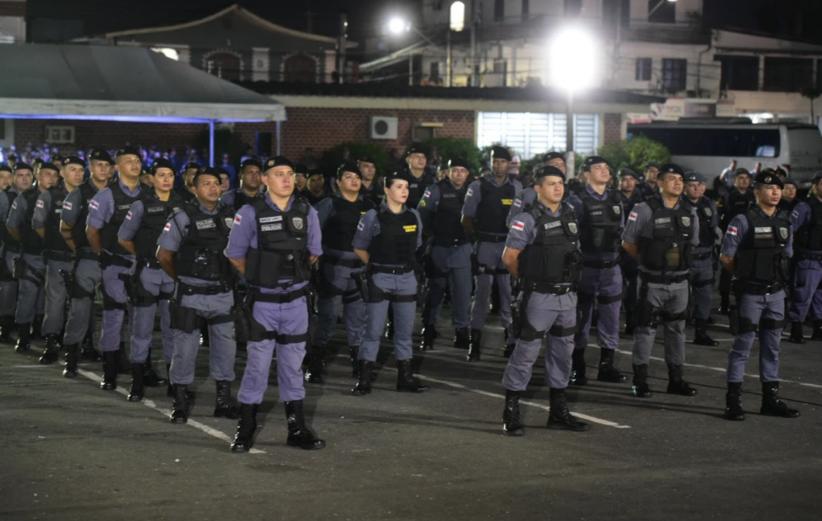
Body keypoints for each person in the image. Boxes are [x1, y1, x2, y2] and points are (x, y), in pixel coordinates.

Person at [225, 156, 325, 452]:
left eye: (290, 174)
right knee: (257, 365)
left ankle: (297, 428)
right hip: (263, 302)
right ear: (265, 180)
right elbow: (234, 254)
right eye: (278, 174)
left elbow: (314, 253)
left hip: (296, 301)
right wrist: (259, 276)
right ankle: (245, 428)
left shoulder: (307, 212)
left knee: (293, 366)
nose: (285, 179)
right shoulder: (249, 212)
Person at [500, 165, 588, 435]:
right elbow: (509, 258)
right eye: (551, 183)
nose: (558, 188)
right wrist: (529, 280)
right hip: (539, 296)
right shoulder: (526, 219)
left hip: (567, 297)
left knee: (563, 354)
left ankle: (558, 413)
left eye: (560, 183)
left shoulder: (570, 215)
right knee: (525, 353)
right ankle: (511, 411)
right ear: (538, 188)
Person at [156, 167, 239, 422]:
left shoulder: (231, 216)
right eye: (206, 183)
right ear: (194, 188)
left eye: (216, 183)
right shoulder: (182, 216)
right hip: (191, 293)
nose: (213, 188)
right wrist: (181, 279)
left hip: (222, 293)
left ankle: (223, 400)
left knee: (226, 348)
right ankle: (180, 402)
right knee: (185, 349)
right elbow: (164, 255)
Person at [719, 170, 799, 421]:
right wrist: (745, 276)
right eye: (769, 188)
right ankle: (733, 402)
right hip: (750, 294)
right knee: (742, 347)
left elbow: (787, 256)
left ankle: (770, 400)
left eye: (778, 188)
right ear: (756, 192)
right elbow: (726, 257)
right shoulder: (742, 220)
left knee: (772, 348)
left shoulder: (785, 221)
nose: (775, 192)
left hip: (776, 293)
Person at [622, 164, 699, 398]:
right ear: (659, 182)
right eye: (672, 179)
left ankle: (676, 380)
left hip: (680, 283)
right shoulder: (644, 209)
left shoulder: (689, 212)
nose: (678, 183)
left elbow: (692, 244)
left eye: (680, 180)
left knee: (677, 331)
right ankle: (640, 381)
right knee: (646, 330)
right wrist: (649, 261)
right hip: (651, 282)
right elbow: (628, 243)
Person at [350, 170, 428, 395]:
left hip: (406, 277)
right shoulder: (372, 216)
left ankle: (405, 378)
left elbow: (417, 245)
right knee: (373, 331)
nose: (404, 191)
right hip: (380, 277)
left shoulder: (414, 215)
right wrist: (374, 265)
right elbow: (359, 246)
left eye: (406, 187)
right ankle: (364, 380)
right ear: (386, 189)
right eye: (399, 186)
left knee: (404, 332)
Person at [117, 158, 183, 401]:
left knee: (172, 329)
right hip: (148, 273)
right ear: (152, 178)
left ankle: (174, 383)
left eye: (170, 175)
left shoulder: (182, 205)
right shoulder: (141, 205)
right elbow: (124, 237)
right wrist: (144, 255)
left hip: (172, 273)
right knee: (141, 329)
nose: (166, 179)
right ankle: (137, 382)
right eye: (161, 175)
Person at [309, 162, 373, 383]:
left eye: (357, 177)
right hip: (333, 269)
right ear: (338, 182)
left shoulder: (369, 206)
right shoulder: (329, 204)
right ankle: (315, 365)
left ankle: (359, 368)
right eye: (348, 177)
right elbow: (312, 234)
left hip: (359, 271)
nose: (354, 181)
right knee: (327, 318)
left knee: (358, 321)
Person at [86, 147, 143, 390]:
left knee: (142, 320)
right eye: (129, 161)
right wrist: (103, 255)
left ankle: (141, 370)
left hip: (142, 266)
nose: (135, 164)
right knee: (114, 317)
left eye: (137, 160)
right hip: (117, 264)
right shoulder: (106, 196)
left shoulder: (148, 194)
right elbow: (92, 231)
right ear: (117, 167)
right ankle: (109, 372)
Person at [567, 156, 625, 384]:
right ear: (586, 174)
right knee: (581, 318)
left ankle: (606, 366)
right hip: (587, 268)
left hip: (611, 268)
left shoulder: (616, 198)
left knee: (611, 317)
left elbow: (621, 231)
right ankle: (577, 367)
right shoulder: (576, 200)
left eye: (606, 167)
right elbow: (571, 236)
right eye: (598, 167)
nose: (604, 170)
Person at [462, 145, 522, 359]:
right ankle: (474, 343)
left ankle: (511, 342)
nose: (498, 165)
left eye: (502, 162)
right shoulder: (479, 186)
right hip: (486, 244)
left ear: (508, 164)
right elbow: (466, 218)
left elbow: (521, 219)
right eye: (495, 161)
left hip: (507, 245)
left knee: (507, 295)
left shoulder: (516, 187)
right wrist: (476, 242)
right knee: (482, 294)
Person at [60, 149, 113, 377]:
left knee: (115, 311)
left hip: (113, 260)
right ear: (91, 167)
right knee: (80, 309)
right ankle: (71, 357)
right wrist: (80, 251)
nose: (103, 169)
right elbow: (65, 228)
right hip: (88, 259)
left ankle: (114, 358)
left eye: (106, 165)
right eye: (98, 164)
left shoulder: (118, 192)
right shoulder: (79, 194)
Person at [417, 157, 473, 354]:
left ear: (467, 174)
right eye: (455, 170)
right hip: (440, 247)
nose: (459, 174)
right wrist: (429, 239)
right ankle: (429, 328)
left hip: (462, 247)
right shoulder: (435, 189)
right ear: (448, 172)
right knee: (435, 291)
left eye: (462, 171)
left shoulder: (472, 191)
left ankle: (461, 331)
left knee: (463, 293)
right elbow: (422, 214)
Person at [32, 156, 85, 364]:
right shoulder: (50, 196)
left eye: (81, 170)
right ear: (62, 172)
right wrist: (53, 241)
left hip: (83, 258)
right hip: (58, 257)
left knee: (82, 303)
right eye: (72, 169)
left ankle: (78, 343)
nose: (77, 174)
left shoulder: (89, 195)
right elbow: (37, 224)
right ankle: (51, 341)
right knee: (55, 301)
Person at [7, 161, 58, 352]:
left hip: (54, 256)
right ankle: (23, 336)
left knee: (48, 298)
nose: (51, 178)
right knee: (27, 295)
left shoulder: (62, 197)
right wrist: (26, 241)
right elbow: (12, 225)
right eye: (46, 174)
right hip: (31, 254)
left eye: (54, 175)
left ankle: (41, 333)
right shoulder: (26, 198)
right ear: (38, 175)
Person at [682, 172, 720, 346]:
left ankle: (701, 333)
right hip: (685, 257)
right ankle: (676, 333)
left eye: (700, 185)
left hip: (705, 257)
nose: (697, 188)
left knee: (705, 297)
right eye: (692, 185)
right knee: (680, 298)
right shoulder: (678, 204)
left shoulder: (709, 204)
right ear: (685, 187)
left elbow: (714, 228)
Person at [0, 163, 34, 343]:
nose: (24, 179)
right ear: (13, 178)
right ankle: (5, 326)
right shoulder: (6, 197)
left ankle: (26, 328)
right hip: (12, 250)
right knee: (9, 289)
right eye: (20, 175)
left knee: (29, 291)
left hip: (31, 252)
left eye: (28, 175)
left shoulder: (38, 196)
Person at [786, 171, 822, 343]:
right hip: (808, 259)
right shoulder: (805, 207)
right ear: (815, 186)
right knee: (803, 296)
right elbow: (789, 229)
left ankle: (818, 328)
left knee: (820, 297)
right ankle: (796, 329)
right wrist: (789, 252)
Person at [717, 168, 754, 314]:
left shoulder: (754, 195)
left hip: (749, 240)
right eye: (741, 178)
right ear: (735, 180)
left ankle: (743, 302)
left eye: (746, 178)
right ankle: (724, 302)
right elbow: (721, 218)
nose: (744, 181)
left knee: (747, 271)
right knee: (727, 271)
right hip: (732, 238)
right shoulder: (728, 196)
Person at [618, 167, 643, 335]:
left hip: (634, 249)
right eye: (624, 179)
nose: (628, 183)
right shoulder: (612, 198)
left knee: (634, 288)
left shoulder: (642, 200)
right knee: (615, 289)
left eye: (631, 179)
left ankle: (631, 321)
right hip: (616, 249)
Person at [401, 143, 436, 209]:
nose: (421, 159)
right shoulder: (401, 178)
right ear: (408, 160)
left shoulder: (432, 179)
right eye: (417, 156)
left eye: (423, 157)